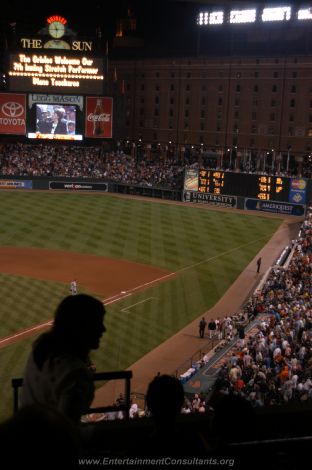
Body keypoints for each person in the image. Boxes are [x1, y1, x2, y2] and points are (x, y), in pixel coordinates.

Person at [20, 294, 106, 424]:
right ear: (80, 327)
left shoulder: (40, 345)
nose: (103, 329)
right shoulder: (75, 375)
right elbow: (64, 433)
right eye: (96, 323)